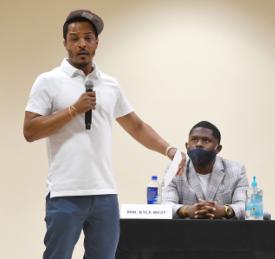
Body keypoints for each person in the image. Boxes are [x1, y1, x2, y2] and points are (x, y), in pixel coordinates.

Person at [23, 10, 184, 259]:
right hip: (65, 193)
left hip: (105, 194)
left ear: (97, 42)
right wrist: (74, 110)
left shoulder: (109, 84)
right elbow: (30, 130)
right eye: (74, 38)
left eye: (88, 37)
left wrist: (168, 149)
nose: (81, 44)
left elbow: (136, 126)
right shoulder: (48, 81)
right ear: (65, 43)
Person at [162, 121, 249, 219]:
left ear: (218, 148)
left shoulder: (236, 170)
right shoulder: (175, 168)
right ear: (187, 146)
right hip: (185, 231)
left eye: (206, 140)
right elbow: (166, 205)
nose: (199, 144)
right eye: (194, 139)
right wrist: (186, 210)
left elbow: (245, 207)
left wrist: (224, 210)